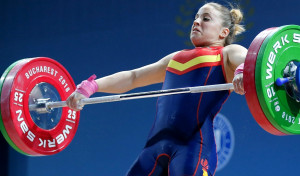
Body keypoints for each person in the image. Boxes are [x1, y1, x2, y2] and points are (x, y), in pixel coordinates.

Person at [67, 2, 247, 176]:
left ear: (223, 32)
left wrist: (241, 72)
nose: (196, 21)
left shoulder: (226, 53)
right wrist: (92, 86)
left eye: (206, 19)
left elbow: (249, 61)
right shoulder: (175, 58)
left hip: (193, 147)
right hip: (154, 148)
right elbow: (133, 77)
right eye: (196, 17)